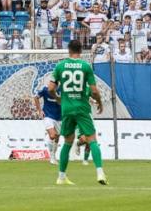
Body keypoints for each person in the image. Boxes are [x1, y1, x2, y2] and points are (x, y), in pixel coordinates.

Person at [48, 40, 107, 185]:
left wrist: (58, 98)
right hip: (81, 107)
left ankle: (61, 177)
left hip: (67, 108)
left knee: (67, 142)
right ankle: (100, 173)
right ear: (81, 51)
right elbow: (93, 90)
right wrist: (99, 102)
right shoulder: (85, 66)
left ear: (68, 50)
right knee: (92, 139)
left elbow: (50, 88)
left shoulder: (60, 66)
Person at [34, 82, 61, 164]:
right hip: (48, 115)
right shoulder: (45, 89)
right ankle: (52, 156)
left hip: (60, 117)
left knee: (57, 137)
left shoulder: (63, 89)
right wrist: (39, 110)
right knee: (53, 135)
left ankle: (53, 155)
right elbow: (36, 97)